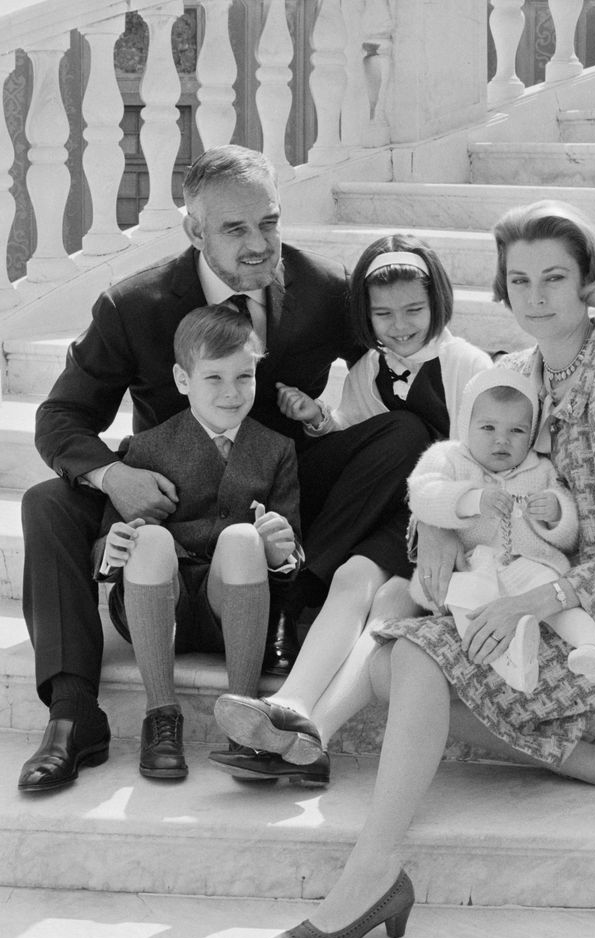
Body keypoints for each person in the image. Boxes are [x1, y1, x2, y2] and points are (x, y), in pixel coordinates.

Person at [257, 200, 595, 938]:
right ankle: (589, 757)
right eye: (519, 279)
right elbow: (451, 471)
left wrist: (540, 600)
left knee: (413, 657)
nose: (535, 296)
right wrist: (433, 523)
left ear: (587, 280)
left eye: (554, 277)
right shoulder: (517, 374)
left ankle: (371, 872)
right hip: (517, 591)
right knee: (387, 659)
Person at [17, 144, 428, 793]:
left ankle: (297, 598)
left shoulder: (324, 291)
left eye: (269, 221)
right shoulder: (136, 305)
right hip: (171, 498)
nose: (259, 242)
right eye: (235, 229)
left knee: (406, 435)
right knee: (46, 502)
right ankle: (73, 716)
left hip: (280, 490)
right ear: (194, 231)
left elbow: (407, 354)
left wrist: (491, 392)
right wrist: (114, 478)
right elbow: (62, 417)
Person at [208, 234, 492, 785]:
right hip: (392, 515)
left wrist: (447, 530)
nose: (400, 325)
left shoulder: (465, 364)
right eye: (383, 314)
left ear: (439, 303)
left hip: (444, 524)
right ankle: (291, 706)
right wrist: (318, 418)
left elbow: (481, 461)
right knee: (351, 578)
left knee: (390, 599)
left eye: (414, 309)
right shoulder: (370, 368)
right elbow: (354, 433)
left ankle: (311, 730)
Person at [92, 305, 300, 779]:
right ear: (183, 380)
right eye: (214, 378)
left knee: (245, 536)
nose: (232, 393)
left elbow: (291, 542)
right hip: (158, 605)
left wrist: (280, 551)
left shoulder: (277, 449)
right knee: (149, 537)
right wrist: (115, 546)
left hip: (236, 608)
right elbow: (106, 537)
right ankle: (161, 714)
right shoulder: (147, 447)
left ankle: (244, 715)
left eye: (244, 377)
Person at [407, 364, 595, 694]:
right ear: (465, 424)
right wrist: (472, 500)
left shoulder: (540, 469)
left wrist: (555, 512)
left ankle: (590, 648)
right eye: (488, 427)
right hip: (473, 566)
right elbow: (422, 494)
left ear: (531, 435)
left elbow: (570, 535)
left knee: (555, 592)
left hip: (528, 565)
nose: (501, 440)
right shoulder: (448, 458)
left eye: (517, 431)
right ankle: (513, 661)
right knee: (466, 600)